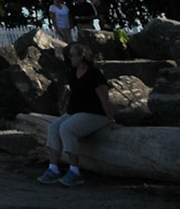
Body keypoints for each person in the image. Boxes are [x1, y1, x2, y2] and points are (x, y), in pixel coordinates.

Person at [39, 41, 121, 187]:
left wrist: (111, 119)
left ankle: (75, 170)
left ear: (81, 57)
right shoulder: (72, 73)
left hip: (94, 113)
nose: (70, 58)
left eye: (72, 55)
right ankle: (53, 168)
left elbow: (104, 98)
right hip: (76, 112)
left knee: (67, 129)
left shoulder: (95, 75)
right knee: (53, 128)